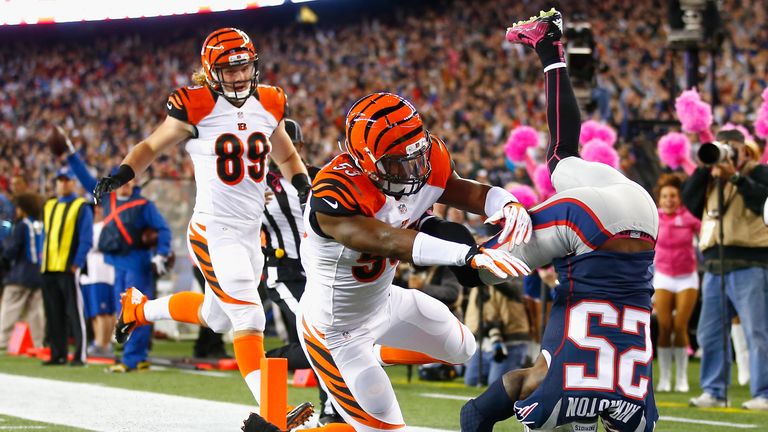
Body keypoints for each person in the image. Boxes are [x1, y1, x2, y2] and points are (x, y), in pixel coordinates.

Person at [91, 27, 313, 422]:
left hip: (249, 233)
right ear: (211, 71)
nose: (239, 76)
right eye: (229, 69)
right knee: (249, 316)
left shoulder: (271, 101)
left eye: (244, 66)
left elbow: (288, 158)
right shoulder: (195, 107)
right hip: (213, 229)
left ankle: (139, 310)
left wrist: (305, 190)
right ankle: (273, 411)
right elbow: (150, 146)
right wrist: (122, 174)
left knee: (217, 316)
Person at [460, 9, 659, 432]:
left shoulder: (637, 413)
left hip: (642, 219)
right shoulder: (552, 393)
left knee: (561, 159)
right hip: (591, 227)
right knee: (478, 270)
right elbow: (487, 404)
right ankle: (430, 235)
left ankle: (550, 46)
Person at [295, 90, 532, 431]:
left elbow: (465, 190)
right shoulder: (334, 191)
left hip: (385, 303)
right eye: (397, 163)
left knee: (464, 348)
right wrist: (468, 254)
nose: (414, 170)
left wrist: (507, 204)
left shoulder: (423, 159)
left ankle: (378, 355)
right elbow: (389, 241)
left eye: (417, 156)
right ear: (365, 160)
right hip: (335, 332)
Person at [65, 138, 171, 372]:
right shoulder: (109, 198)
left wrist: (161, 255)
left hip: (137, 261)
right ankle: (131, 355)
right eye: (123, 180)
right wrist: (71, 154)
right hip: (115, 262)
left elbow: (164, 229)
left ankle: (132, 358)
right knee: (121, 312)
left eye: (131, 181)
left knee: (137, 310)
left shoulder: (143, 204)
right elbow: (86, 181)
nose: (126, 185)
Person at [682, 128, 768, 410]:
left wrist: (734, 176)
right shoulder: (711, 178)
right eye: (723, 147)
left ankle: (764, 393)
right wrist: (704, 169)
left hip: (750, 263)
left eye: (732, 148)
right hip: (715, 264)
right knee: (710, 333)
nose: (727, 153)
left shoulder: (758, 173)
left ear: (744, 149)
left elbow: (762, 202)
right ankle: (714, 391)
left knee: (757, 332)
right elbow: (690, 202)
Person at [40, 167, 93, 366]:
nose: (63, 183)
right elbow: (44, 236)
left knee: (74, 312)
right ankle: (57, 354)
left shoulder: (81, 206)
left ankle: (80, 355)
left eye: (67, 180)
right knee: (53, 313)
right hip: (48, 268)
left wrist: (77, 263)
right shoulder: (49, 205)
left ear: (73, 183)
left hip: (68, 268)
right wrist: (41, 257)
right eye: (60, 180)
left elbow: (86, 239)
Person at [652, 173, 700, 393]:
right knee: (664, 327)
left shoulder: (690, 217)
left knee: (680, 326)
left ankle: (682, 378)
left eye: (673, 196)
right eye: (665, 196)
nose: (669, 200)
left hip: (687, 277)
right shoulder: (654, 218)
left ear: (680, 198)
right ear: (659, 199)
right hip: (662, 276)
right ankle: (664, 378)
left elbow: (706, 235)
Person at [0, 192, 45, 350]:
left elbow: (12, 249)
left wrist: (4, 259)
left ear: (23, 208)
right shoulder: (40, 225)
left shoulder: (21, 225)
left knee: (9, 306)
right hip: (38, 273)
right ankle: (38, 343)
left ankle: (2, 341)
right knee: (35, 311)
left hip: (21, 273)